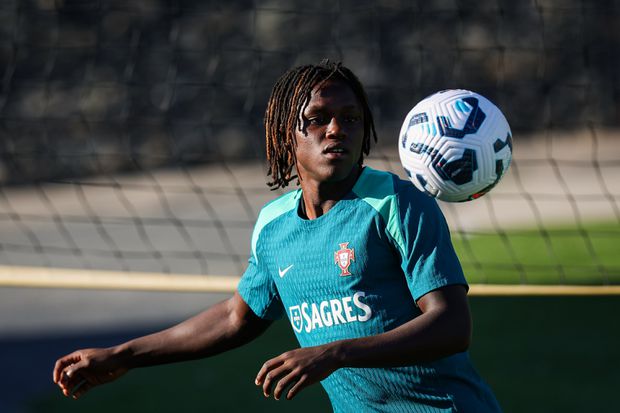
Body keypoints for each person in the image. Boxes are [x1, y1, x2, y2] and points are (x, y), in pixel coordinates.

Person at [53, 60, 502, 412]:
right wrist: (123, 355)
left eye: (350, 118)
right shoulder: (274, 226)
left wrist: (335, 353)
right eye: (318, 118)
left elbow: (451, 325)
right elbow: (234, 318)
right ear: (287, 134)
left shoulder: (398, 204)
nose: (336, 129)